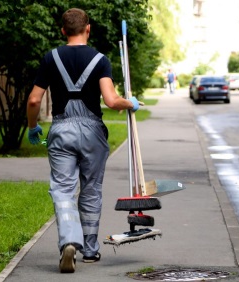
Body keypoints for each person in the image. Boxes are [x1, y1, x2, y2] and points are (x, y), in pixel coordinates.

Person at [26, 8, 140, 273]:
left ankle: (68, 240)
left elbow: (34, 99)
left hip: (61, 130)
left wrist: (33, 126)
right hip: (93, 133)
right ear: (88, 29)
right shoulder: (100, 60)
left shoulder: (50, 58)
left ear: (63, 30)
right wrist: (130, 103)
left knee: (63, 190)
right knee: (91, 190)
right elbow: (111, 101)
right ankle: (90, 250)